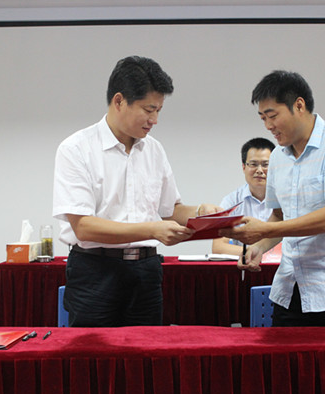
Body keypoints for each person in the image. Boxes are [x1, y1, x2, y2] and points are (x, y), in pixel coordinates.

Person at [53, 56, 220, 327]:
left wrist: (202, 211)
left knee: (146, 351)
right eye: (148, 110)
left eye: (159, 111)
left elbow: (170, 211)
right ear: (119, 101)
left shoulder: (153, 149)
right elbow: (83, 227)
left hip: (146, 273)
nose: (154, 120)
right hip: (95, 272)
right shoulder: (76, 149)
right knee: (94, 352)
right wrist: (152, 230)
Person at [220, 70, 325, 327]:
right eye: (263, 118)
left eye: (273, 116)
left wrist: (264, 229)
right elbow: (279, 216)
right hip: (292, 286)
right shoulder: (278, 157)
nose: (268, 126)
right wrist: (259, 247)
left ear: (299, 105)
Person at [211, 137, 275, 256]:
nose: (260, 170)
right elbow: (218, 247)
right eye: (253, 164)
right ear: (244, 167)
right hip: (245, 264)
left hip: (282, 264)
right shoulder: (231, 201)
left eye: (266, 165)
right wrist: (257, 254)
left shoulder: (285, 198)